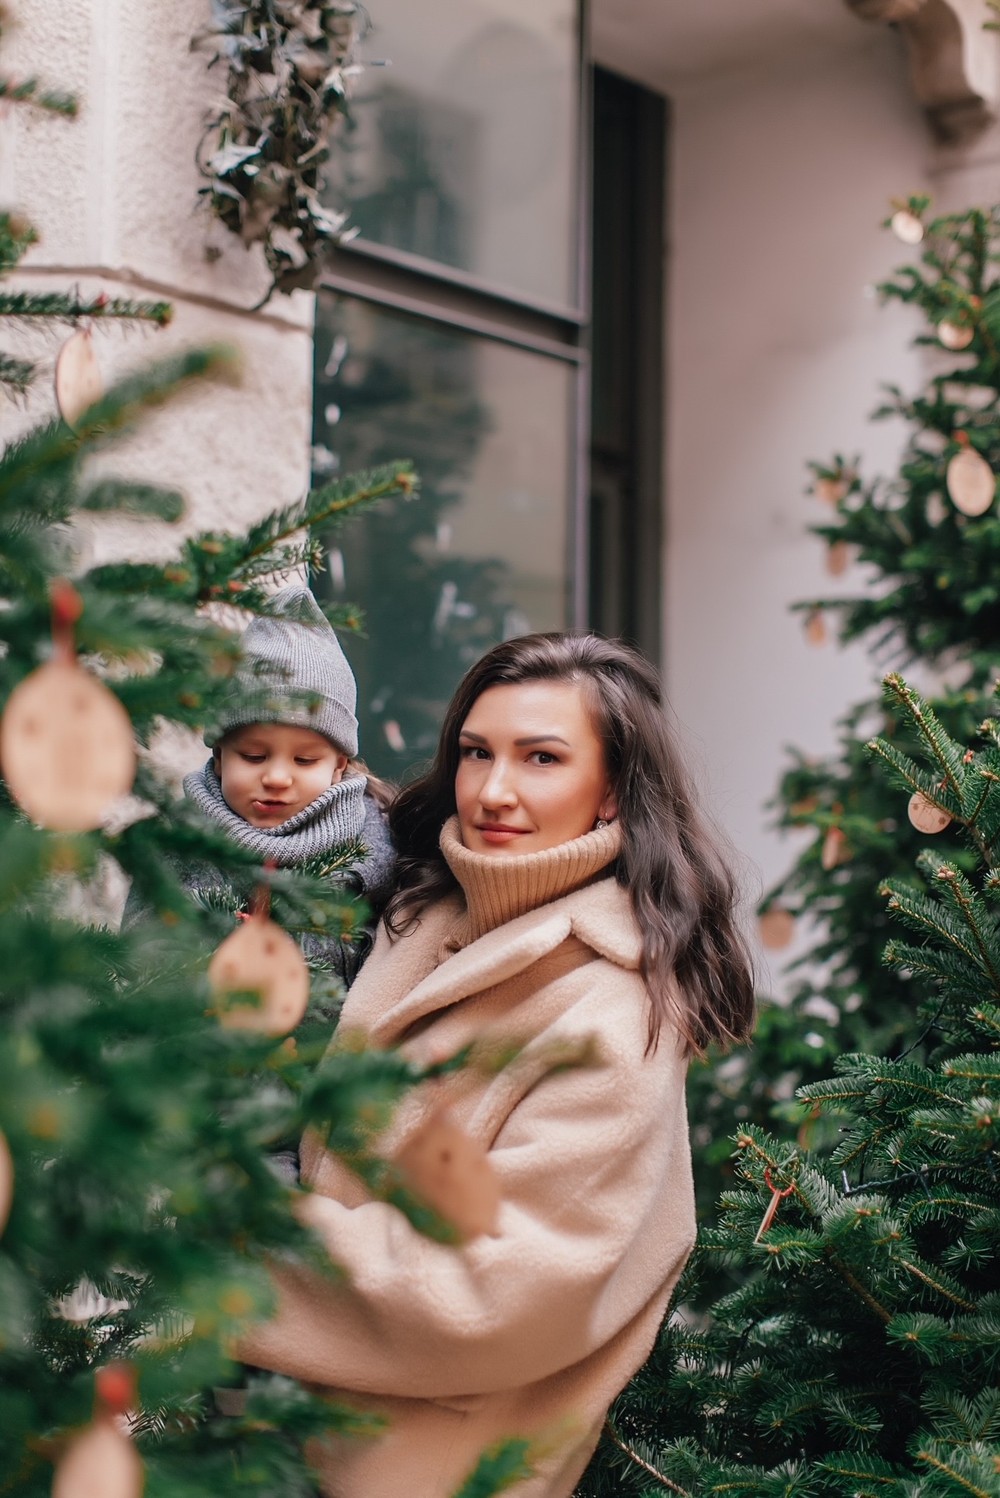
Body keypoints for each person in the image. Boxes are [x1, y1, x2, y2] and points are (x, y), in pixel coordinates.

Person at [239, 631, 755, 1498]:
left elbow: (487, 1288)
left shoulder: (611, 1014)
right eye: (476, 753)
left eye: (543, 758)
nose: (493, 790)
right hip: (284, 1435)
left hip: (422, 1469)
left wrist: (221, 1229)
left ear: (611, 796)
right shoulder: (422, 911)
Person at [178, 584, 395, 999]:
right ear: (220, 757)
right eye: (255, 756)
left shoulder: (374, 854)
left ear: (339, 766)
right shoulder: (181, 845)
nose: (277, 778)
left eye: (304, 760)